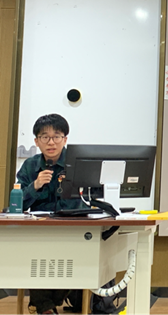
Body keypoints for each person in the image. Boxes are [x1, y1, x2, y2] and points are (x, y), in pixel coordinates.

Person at [15, 114, 85, 315]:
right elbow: (17, 204)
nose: (51, 142)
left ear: (65, 139)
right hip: (40, 230)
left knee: (75, 258)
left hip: (73, 228)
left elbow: (90, 198)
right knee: (36, 256)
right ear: (37, 141)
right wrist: (35, 185)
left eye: (56, 136)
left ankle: (45, 304)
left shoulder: (77, 163)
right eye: (45, 137)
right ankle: (45, 306)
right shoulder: (30, 166)